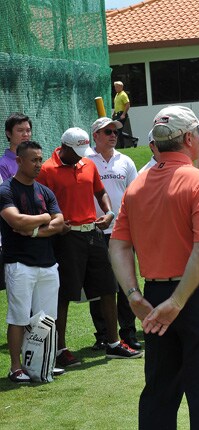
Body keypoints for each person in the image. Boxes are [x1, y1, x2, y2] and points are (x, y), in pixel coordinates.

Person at [109, 106, 199, 429]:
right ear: (189, 139)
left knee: (159, 392)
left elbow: (118, 245)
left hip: (153, 297)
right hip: (197, 293)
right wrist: (176, 302)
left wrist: (133, 295)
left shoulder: (137, 186)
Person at [36, 127, 141, 367]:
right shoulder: (47, 170)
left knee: (108, 287)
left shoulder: (87, 164)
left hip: (93, 233)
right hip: (65, 237)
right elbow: (39, 203)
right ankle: (60, 349)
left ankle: (113, 343)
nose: (80, 157)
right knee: (64, 294)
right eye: (76, 152)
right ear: (64, 147)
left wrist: (109, 212)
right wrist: (54, 223)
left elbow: (100, 191)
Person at [1, 141, 64, 383]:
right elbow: (16, 221)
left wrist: (36, 230)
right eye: (34, 160)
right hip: (19, 264)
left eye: (40, 159)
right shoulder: (6, 190)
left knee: (47, 318)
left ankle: (43, 363)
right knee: (18, 318)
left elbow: (60, 223)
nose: (39, 164)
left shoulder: (44, 191)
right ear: (19, 161)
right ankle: (16, 367)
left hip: (48, 264)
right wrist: (46, 217)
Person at [85, 117, 141, 350]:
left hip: (122, 231)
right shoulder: (85, 161)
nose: (113, 135)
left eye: (115, 132)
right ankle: (103, 335)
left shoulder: (125, 161)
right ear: (95, 136)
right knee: (100, 286)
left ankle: (128, 332)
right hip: (95, 231)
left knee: (126, 283)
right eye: (107, 132)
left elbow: (135, 194)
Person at [1, 113, 32, 181]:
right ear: (9, 134)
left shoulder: (34, 161)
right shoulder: (2, 165)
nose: (25, 134)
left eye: (28, 130)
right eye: (20, 130)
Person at [112, 81, 132, 148]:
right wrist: (114, 113)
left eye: (117, 87)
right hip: (117, 114)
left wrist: (123, 114)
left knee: (118, 130)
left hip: (122, 114)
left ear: (121, 87)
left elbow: (127, 104)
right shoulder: (117, 95)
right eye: (115, 87)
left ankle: (122, 146)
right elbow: (117, 106)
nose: (115, 88)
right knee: (118, 130)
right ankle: (133, 139)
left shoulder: (123, 94)